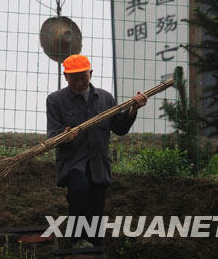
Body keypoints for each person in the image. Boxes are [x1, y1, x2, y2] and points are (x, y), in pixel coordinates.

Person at [46, 54, 147, 248]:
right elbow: (52, 136)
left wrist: (133, 109)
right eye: (74, 78)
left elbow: (119, 128)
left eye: (83, 77)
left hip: (99, 164)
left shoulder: (105, 98)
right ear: (66, 77)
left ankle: (95, 245)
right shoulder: (55, 100)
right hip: (73, 163)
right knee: (79, 190)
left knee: (97, 207)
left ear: (90, 73)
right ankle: (78, 241)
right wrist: (64, 136)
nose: (79, 82)